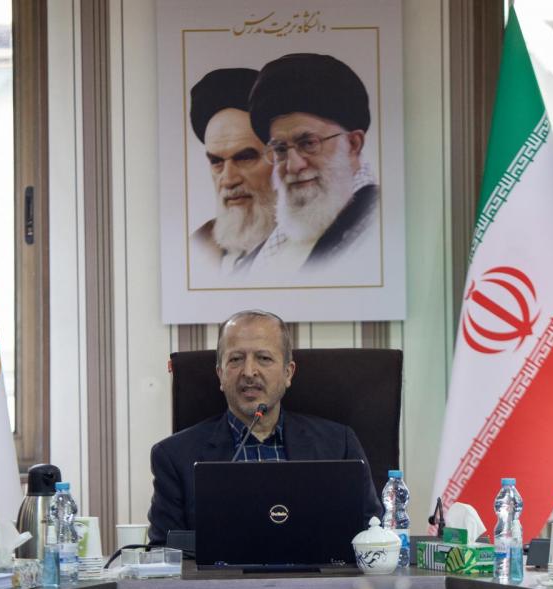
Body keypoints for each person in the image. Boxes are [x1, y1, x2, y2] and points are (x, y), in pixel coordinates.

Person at [147, 309, 380, 544]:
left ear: (288, 373)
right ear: (220, 374)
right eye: (236, 359)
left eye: (264, 358)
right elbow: (164, 552)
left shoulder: (339, 446)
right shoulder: (174, 457)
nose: (249, 372)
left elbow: (374, 538)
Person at [246, 53, 379, 274]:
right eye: (280, 149)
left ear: (353, 144)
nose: (293, 166)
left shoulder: (377, 226)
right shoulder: (260, 256)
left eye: (308, 143)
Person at [188, 68, 276, 277]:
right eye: (216, 162)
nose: (228, 180)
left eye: (245, 158)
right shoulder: (196, 246)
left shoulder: (323, 247)